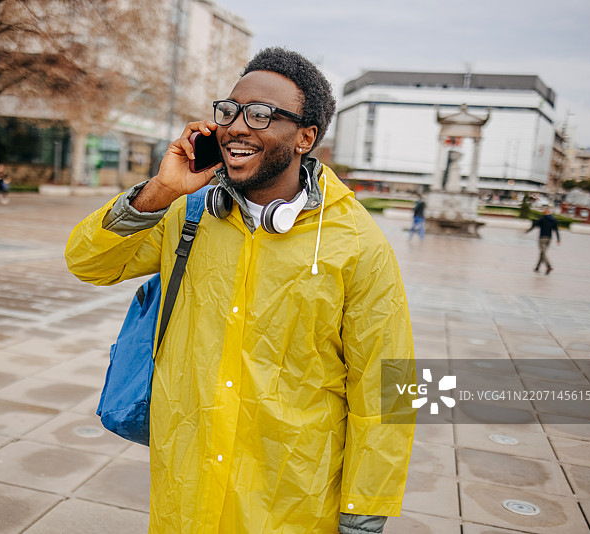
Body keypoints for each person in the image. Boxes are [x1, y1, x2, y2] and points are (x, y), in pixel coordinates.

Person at [66, 47, 415, 534]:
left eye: (262, 114)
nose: (237, 127)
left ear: (305, 137)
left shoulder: (358, 243)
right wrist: (162, 190)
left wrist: (363, 513)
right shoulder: (188, 214)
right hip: (187, 492)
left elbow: (391, 385)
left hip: (291, 503)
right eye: (229, 111)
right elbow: (86, 262)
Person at [525, 206, 561, 274]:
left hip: (542, 238)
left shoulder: (542, 219)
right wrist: (558, 239)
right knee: (542, 253)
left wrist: (527, 231)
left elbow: (535, 225)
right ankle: (537, 267)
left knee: (543, 253)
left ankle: (549, 266)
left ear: (544, 212)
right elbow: (556, 230)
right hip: (549, 239)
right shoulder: (553, 220)